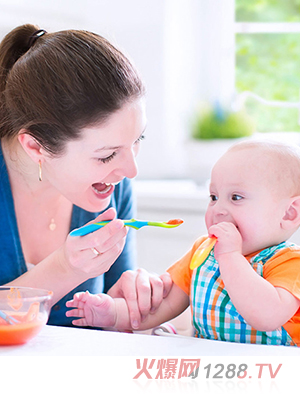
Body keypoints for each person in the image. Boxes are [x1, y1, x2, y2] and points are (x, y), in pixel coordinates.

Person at [0, 24, 172, 329]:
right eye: (107, 154)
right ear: (35, 146)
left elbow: (116, 315)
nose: (131, 170)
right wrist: (65, 268)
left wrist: (135, 308)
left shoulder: (113, 185)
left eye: (137, 141)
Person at [67, 140, 300, 346]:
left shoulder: (290, 263)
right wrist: (113, 313)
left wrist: (230, 257)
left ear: (289, 214)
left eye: (236, 197)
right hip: (212, 370)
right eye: (214, 197)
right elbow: (163, 304)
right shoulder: (203, 252)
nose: (218, 210)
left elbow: (267, 316)